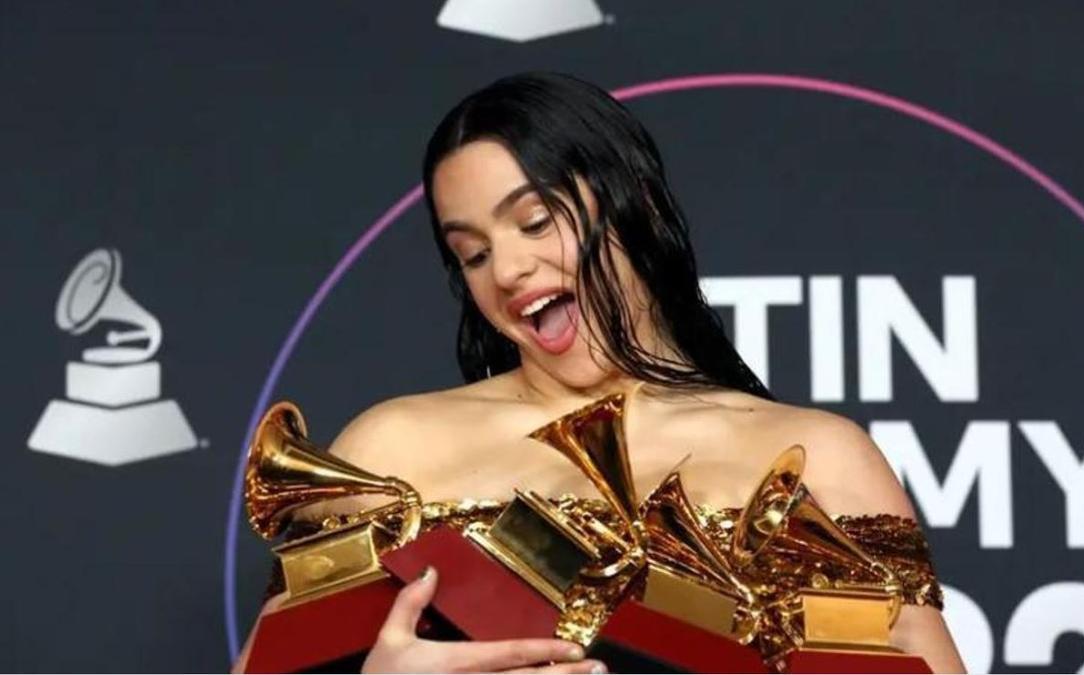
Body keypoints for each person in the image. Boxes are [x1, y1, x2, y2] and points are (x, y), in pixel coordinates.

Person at [234, 72, 966, 674]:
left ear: (635, 205)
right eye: (474, 253)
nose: (511, 269)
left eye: (534, 220)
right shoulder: (391, 449)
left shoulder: (822, 456)